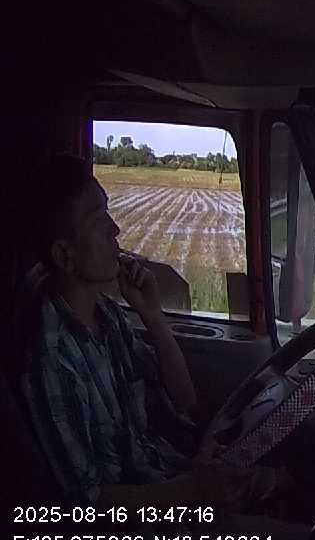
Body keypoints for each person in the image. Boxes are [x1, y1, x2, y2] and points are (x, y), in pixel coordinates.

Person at [14, 155, 269, 511]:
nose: (115, 230)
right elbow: (88, 504)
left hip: (168, 474)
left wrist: (152, 315)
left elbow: (184, 400)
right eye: (98, 221)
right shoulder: (51, 360)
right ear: (65, 256)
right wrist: (194, 491)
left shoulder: (108, 316)